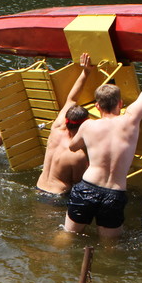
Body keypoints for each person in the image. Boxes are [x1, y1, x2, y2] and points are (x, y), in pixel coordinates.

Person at [63, 25, 142, 238]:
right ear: (120, 103)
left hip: (87, 187)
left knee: (67, 236)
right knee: (111, 248)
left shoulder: (88, 126)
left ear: (98, 106)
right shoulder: (130, 120)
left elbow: (72, 147)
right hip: (115, 193)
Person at [35, 53, 93, 202]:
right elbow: (80, 184)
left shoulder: (56, 128)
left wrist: (85, 72)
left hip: (39, 188)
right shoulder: (77, 154)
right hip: (58, 197)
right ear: (84, 125)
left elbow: (71, 99)